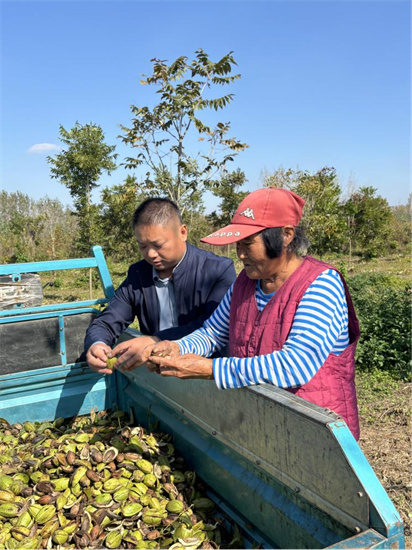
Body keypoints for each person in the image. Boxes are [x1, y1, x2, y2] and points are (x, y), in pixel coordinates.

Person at [147, 188, 361, 440]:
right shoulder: (245, 283)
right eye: (238, 244)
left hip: (317, 430)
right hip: (266, 422)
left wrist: (209, 368)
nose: (240, 254)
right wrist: (178, 348)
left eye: (248, 244)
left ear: (286, 236)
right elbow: (213, 334)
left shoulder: (321, 284)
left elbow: (295, 365)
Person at [85, 197, 236, 375]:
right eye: (142, 246)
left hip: (205, 377)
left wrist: (154, 340)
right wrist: (97, 344)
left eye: (158, 245)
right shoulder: (138, 275)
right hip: (159, 378)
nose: (150, 254)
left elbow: (214, 328)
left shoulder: (217, 270)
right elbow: (108, 320)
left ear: (182, 232)